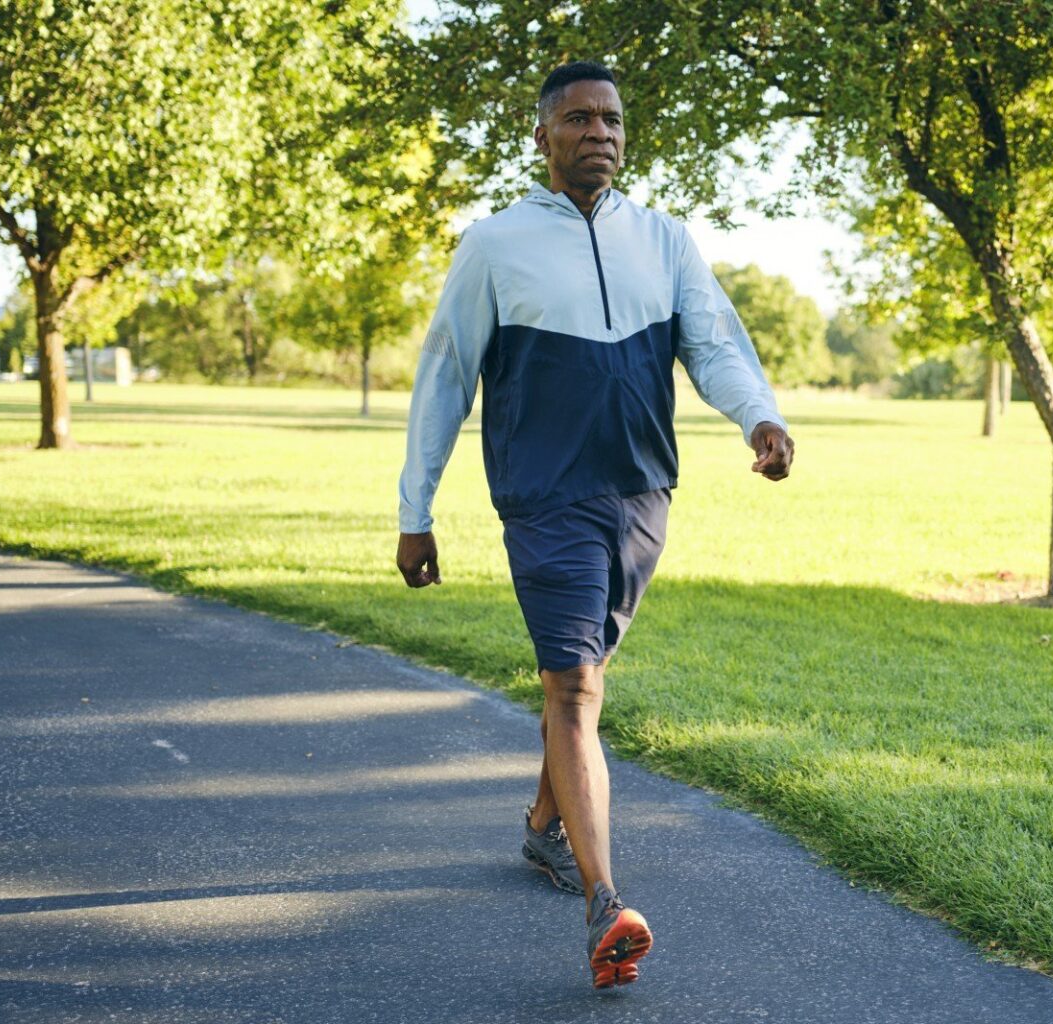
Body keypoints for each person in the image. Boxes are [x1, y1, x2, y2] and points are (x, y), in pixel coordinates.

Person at [394, 59, 794, 989]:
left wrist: (759, 418)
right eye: (576, 119)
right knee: (574, 687)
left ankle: (541, 830)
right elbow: (446, 378)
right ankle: (603, 902)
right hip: (544, 495)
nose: (599, 133)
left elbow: (714, 344)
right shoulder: (493, 245)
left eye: (611, 118)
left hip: (643, 492)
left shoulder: (665, 239)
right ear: (542, 139)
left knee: (584, 680)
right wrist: (416, 512)